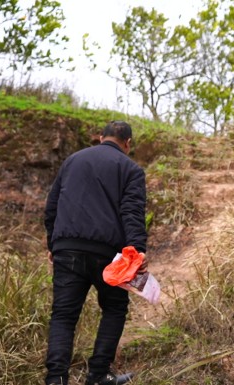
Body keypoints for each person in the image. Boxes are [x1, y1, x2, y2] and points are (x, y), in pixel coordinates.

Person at [43, 120, 147, 385]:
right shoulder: (131, 168)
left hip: (67, 249)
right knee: (114, 308)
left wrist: (53, 245)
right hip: (108, 255)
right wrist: (137, 251)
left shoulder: (72, 161)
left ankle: (56, 379)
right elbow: (132, 213)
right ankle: (99, 374)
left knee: (64, 316)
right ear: (128, 143)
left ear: (101, 137)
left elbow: (51, 206)